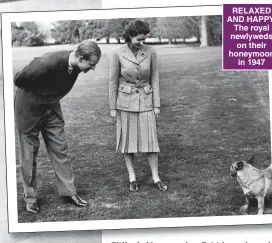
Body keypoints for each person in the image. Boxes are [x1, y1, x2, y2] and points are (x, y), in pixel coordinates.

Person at [14, 39, 101, 213]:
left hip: (51, 108)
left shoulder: (75, 65)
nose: (92, 69)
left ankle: (69, 192)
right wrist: (39, 94)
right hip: (29, 109)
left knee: (61, 149)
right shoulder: (45, 63)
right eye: (91, 64)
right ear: (80, 57)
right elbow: (19, 79)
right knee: (28, 156)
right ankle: (30, 198)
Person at [109, 20, 167, 192]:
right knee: (127, 142)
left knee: (151, 142)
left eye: (144, 39)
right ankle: (132, 178)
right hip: (124, 103)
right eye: (139, 39)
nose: (142, 42)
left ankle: (156, 178)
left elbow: (154, 78)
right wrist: (113, 107)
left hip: (146, 100)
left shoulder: (151, 52)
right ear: (130, 36)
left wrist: (156, 105)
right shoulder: (117, 53)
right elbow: (112, 81)